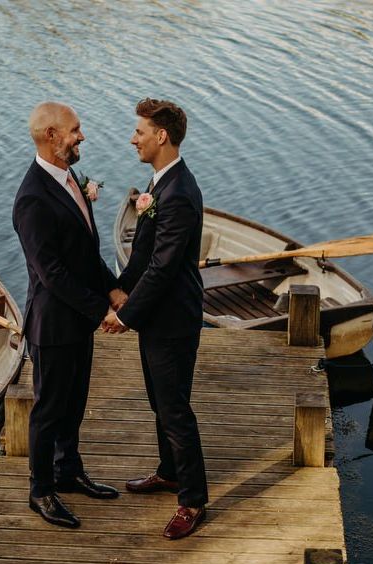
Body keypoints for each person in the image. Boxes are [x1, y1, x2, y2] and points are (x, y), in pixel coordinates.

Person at [13, 101, 124, 529]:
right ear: (50, 136)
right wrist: (103, 311)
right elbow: (53, 274)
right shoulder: (32, 199)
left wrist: (112, 287)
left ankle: (69, 470)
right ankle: (41, 490)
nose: (82, 136)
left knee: (75, 401)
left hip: (76, 320)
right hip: (53, 324)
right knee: (49, 409)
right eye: (75, 130)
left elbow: (85, 253)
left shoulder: (71, 177)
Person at [102, 98, 208, 539]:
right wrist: (118, 288)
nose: (133, 139)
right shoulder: (160, 184)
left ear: (161, 136)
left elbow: (164, 268)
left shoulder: (179, 193)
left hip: (174, 319)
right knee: (157, 402)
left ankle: (193, 500)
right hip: (157, 316)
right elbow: (143, 253)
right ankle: (169, 472)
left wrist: (126, 317)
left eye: (139, 132)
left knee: (174, 408)